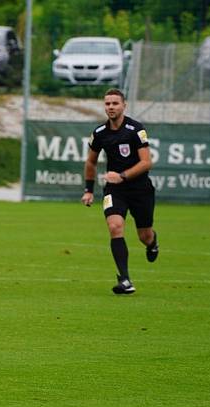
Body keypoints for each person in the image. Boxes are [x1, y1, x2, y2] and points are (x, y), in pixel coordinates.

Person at [81, 88, 159, 294]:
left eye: (115, 103)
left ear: (124, 105)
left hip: (141, 190)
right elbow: (90, 162)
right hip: (115, 190)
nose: (111, 107)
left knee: (145, 235)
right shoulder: (99, 133)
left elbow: (146, 163)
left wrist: (122, 175)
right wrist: (89, 190)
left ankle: (152, 242)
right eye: (107, 103)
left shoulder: (135, 130)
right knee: (115, 227)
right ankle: (124, 280)